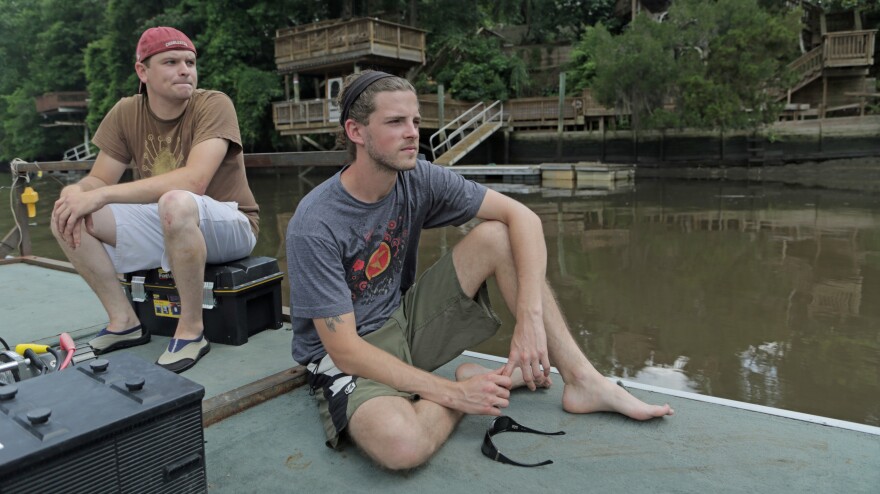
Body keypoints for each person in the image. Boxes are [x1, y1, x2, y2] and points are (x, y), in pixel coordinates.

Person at [286, 70, 673, 470]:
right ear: (356, 131)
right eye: (395, 122)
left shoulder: (417, 178)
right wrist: (457, 395)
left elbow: (523, 217)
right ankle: (472, 384)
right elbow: (345, 349)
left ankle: (583, 381)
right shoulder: (315, 223)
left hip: (403, 322)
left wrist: (528, 318)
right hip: (348, 355)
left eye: (416, 121)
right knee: (401, 447)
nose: (412, 133)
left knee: (498, 237)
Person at [51, 27, 259, 373]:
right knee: (66, 215)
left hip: (230, 222)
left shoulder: (214, 103)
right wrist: (74, 194)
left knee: (175, 200)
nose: (185, 70)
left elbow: (195, 181)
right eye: (171, 61)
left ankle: (192, 330)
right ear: (142, 71)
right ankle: (124, 321)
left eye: (190, 62)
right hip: (169, 220)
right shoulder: (126, 112)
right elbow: (99, 178)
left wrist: (100, 194)